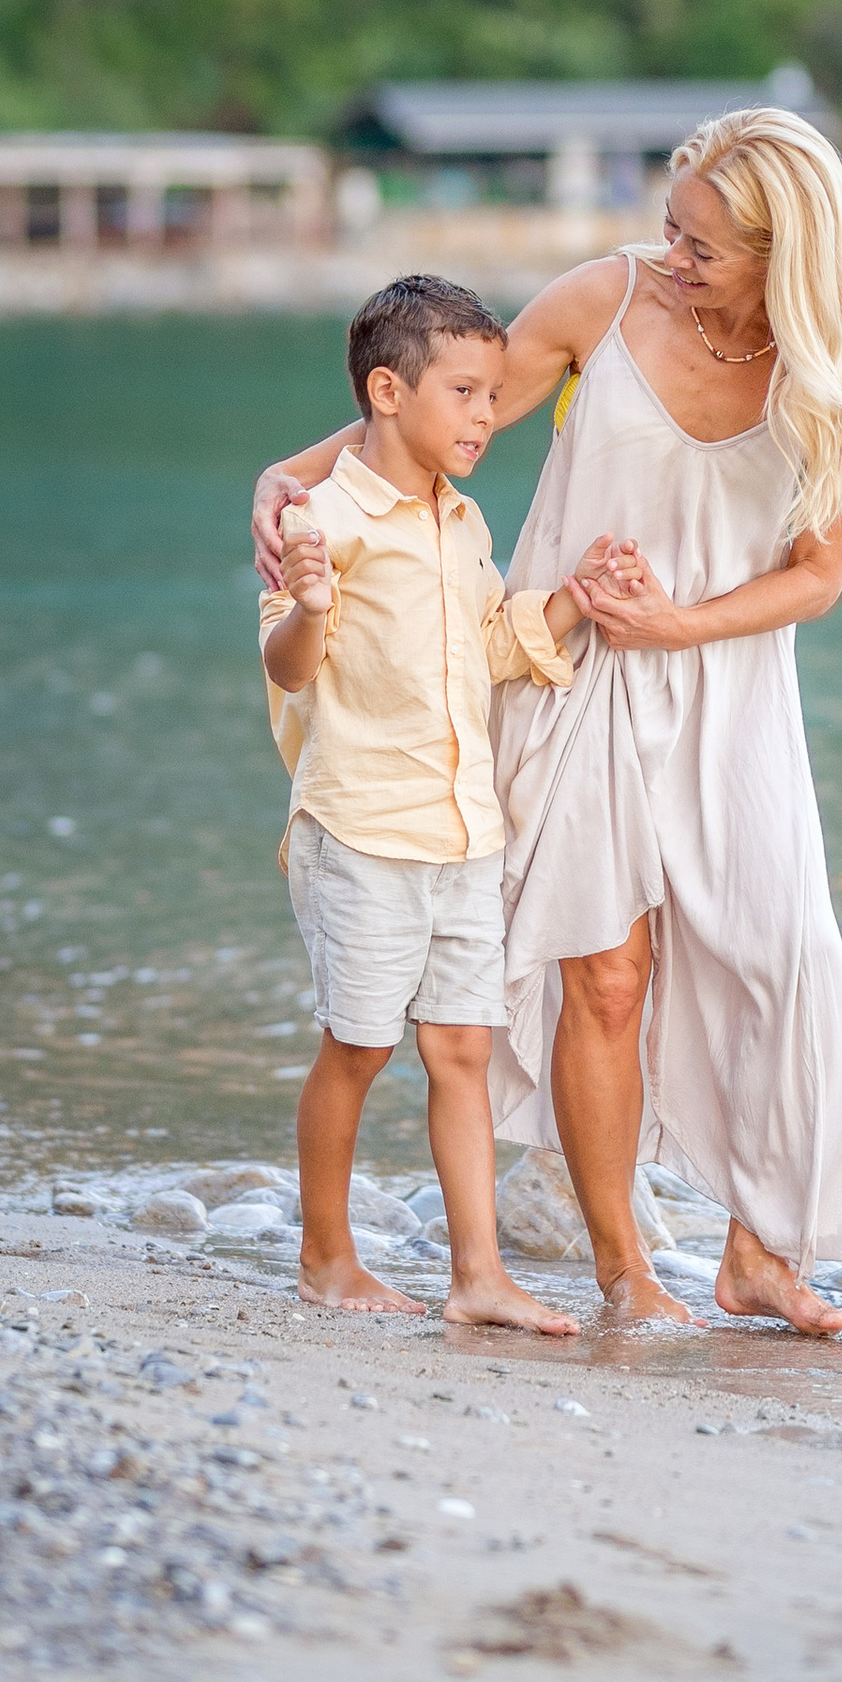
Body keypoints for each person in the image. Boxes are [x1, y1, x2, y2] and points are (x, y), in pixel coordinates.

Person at [252, 106, 842, 1339]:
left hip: (731, 690)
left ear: (785, 256)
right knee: (608, 979)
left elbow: (814, 578)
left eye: (705, 248)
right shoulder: (602, 303)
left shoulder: (839, 388)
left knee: (779, 958)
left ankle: (758, 1255)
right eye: (671, 229)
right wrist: (289, 477)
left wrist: (681, 626)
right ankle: (626, 1273)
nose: (673, 259)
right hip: (570, 666)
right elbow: (431, 419)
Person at [260, 270, 604, 1331]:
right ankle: (326, 1258)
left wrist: (572, 601)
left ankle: (479, 1277)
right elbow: (287, 665)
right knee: (357, 1047)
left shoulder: (463, 524)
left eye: (495, 396)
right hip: (360, 827)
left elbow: (496, 646)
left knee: (460, 1048)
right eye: (464, 392)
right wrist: (311, 604)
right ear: (386, 392)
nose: (487, 417)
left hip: (463, 830)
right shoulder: (323, 519)